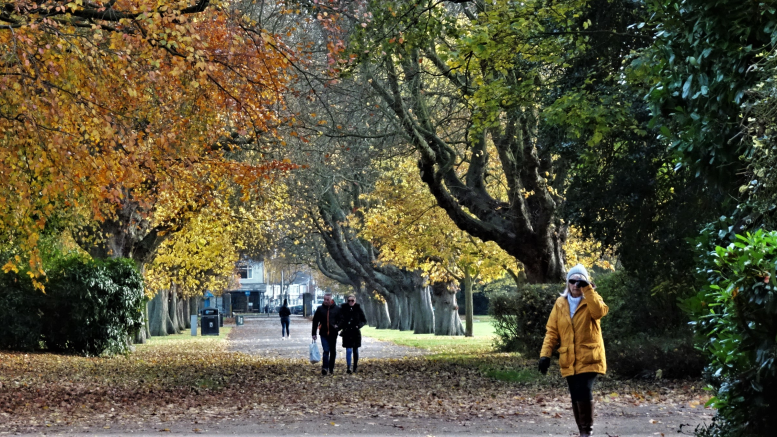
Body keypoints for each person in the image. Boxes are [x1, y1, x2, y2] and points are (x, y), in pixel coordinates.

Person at [538, 264, 608, 437]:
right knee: (575, 393)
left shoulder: (592, 299)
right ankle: (582, 431)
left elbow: (599, 312)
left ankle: (587, 432)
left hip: (589, 356)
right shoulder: (560, 303)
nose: (576, 285)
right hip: (568, 357)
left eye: (580, 281)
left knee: (584, 389)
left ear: (586, 283)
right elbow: (552, 331)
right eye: (572, 281)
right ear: (567, 283)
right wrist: (545, 355)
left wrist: (589, 290)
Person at [312, 293, 341, 375]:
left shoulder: (337, 309)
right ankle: (325, 367)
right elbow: (315, 321)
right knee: (326, 350)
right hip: (323, 333)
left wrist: (338, 326)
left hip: (333, 333)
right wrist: (314, 333)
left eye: (327, 300)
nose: (325, 301)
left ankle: (331, 368)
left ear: (331, 300)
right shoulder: (320, 309)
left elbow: (341, 320)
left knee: (332, 351)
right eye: (324, 299)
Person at [339, 294, 367, 374]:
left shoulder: (358, 309)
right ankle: (349, 366)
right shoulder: (343, 309)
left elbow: (364, 320)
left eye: (352, 300)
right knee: (348, 350)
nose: (351, 302)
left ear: (355, 301)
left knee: (355, 350)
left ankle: (355, 366)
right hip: (347, 332)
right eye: (349, 301)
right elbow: (341, 319)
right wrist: (339, 327)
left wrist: (359, 326)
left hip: (355, 332)